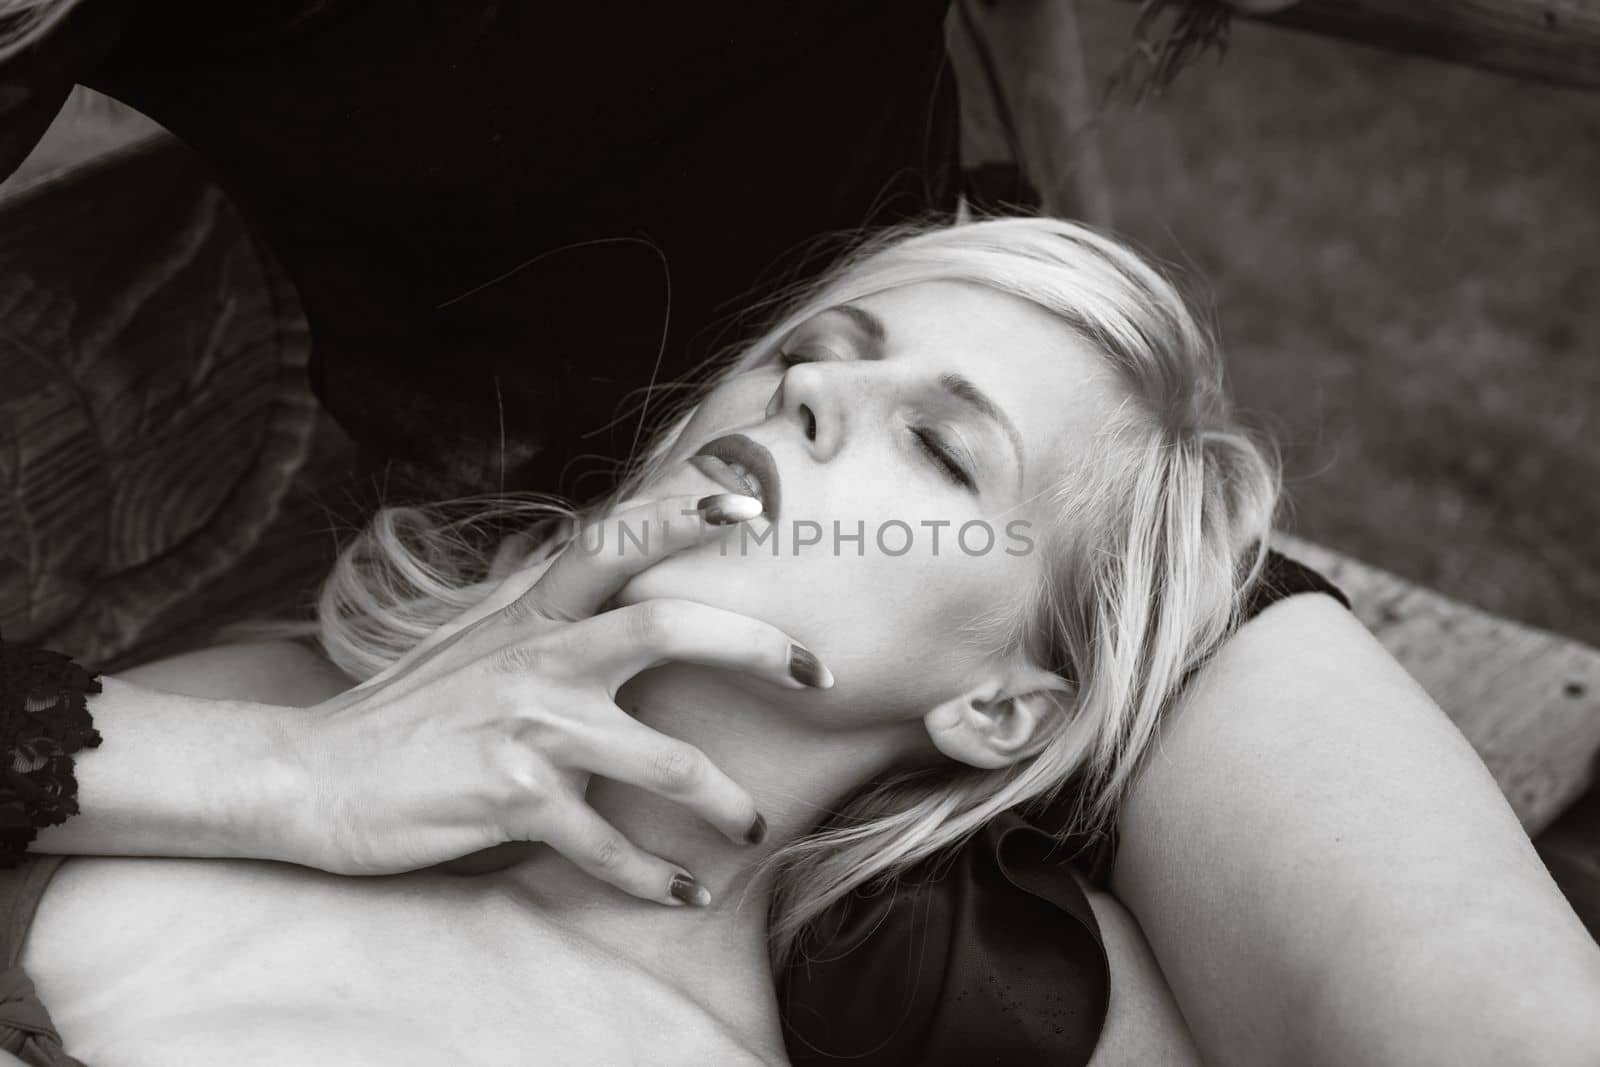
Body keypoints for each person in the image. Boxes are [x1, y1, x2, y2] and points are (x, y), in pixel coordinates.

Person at [4, 217, 1599, 1067]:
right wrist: (291, 779)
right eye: (816, 352)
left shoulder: (973, 1017)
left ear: (1003, 707)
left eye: (944, 452)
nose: (812, 394)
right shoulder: (232, 724)